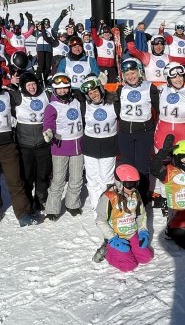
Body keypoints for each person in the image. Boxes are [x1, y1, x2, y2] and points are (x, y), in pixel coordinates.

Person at [95, 164, 154, 272]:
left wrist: (143, 231)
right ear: (119, 183)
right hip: (116, 237)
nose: (133, 188)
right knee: (128, 265)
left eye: (135, 184)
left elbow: (141, 215)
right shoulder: (108, 197)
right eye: (129, 184)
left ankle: (129, 250)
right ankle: (107, 251)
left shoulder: (135, 195)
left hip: (131, 234)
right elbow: (100, 220)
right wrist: (112, 239)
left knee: (146, 257)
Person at [116, 58, 160, 203]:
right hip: (125, 132)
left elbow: (159, 107)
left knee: (142, 165)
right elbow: (115, 109)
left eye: (133, 72)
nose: (130, 76)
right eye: (127, 74)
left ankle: (143, 195)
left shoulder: (149, 87)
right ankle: (129, 194)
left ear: (139, 72)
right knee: (128, 164)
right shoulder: (121, 89)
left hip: (144, 132)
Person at [43, 73, 84, 221]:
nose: (63, 91)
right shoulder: (52, 106)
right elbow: (48, 123)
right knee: (59, 179)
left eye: (65, 88)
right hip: (60, 147)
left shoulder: (77, 101)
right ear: (54, 90)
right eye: (59, 89)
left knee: (77, 178)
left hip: (78, 145)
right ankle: (52, 208)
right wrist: (48, 132)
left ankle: (72, 204)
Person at [9, 71, 52, 212]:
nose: (32, 88)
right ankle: (27, 203)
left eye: (34, 84)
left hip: (43, 144)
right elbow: (3, 96)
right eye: (28, 85)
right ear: (23, 86)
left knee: (42, 174)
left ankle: (40, 199)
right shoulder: (17, 96)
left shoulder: (46, 95)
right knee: (27, 176)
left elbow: (62, 98)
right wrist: (9, 83)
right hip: (25, 145)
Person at [0, 75, 36, 226]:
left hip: (7, 144)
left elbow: (29, 97)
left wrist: (16, 84)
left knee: (14, 180)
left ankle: (23, 213)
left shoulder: (8, 95)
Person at [79, 75, 119, 210]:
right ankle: (97, 207)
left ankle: (107, 206)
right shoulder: (84, 105)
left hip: (109, 145)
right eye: (90, 93)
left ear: (101, 89)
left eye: (95, 91)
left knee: (106, 179)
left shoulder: (113, 102)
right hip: (90, 146)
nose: (93, 95)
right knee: (92, 179)